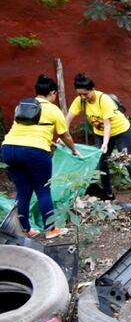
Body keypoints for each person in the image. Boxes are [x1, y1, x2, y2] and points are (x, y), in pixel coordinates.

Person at [1, 74, 80, 239]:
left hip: (8, 149)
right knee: (43, 190)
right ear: (52, 93)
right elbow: (65, 136)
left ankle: (26, 230)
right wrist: (73, 149)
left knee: (23, 191)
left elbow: (27, 131)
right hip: (35, 151)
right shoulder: (53, 109)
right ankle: (51, 229)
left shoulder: (22, 105)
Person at [65, 72, 131, 201]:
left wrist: (105, 143)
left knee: (128, 162)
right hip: (100, 133)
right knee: (102, 162)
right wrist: (63, 135)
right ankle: (108, 194)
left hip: (120, 131)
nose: (83, 97)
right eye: (80, 94)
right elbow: (68, 118)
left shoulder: (103, 99)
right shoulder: (80, 101)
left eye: (85, 94)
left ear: (93, 90)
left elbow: (107, 125)